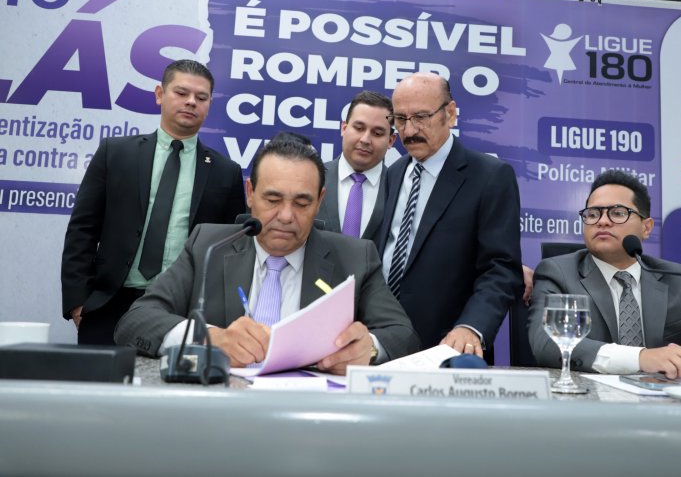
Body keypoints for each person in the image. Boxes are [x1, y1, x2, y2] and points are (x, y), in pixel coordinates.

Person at [115, 135, 420, 374]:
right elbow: (136, 322)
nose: (286, 216)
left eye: (302, 203)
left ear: (320, 201)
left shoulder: (355, 257)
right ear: (250, 193)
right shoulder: (208, 245)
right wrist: (209, 338)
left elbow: (404, 335)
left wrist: (369, 349)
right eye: (273, 199)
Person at [61, 59, 246, 345]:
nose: (191, 102)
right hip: (109, 305)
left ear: (210, 104)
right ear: (160, 94)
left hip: (182, 310)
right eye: (181, 93)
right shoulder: (115, 153)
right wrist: (77, 303)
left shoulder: (226, 172)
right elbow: (82, 230)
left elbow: (232, 250)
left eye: (201, 97)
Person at [528, 169, 681, 378]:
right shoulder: (558, 273)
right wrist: (641, 358)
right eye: (592, 214)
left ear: (646, 227)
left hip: (663, 407)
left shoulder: (678, 280)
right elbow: (546, 344)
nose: (602, 221)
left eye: (617, 213)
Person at [377, 72, 523, 357]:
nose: (409, 130)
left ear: (451, 114)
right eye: (400, 119)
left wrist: (471, 327)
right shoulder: (393, 174)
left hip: (449, 348)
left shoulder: (490, 176)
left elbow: (501, 269)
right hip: (384, 343)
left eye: (421, 117)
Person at [316, 91, 396, 244]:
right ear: (344, 128)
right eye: (359, 128)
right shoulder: (314, 179)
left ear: (391, 140)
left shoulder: (399, 189)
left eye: (377, 133)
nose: (365, 139)